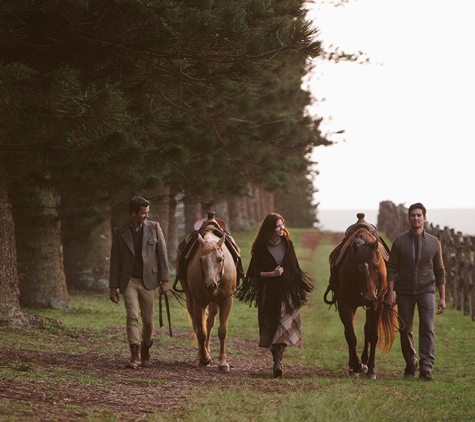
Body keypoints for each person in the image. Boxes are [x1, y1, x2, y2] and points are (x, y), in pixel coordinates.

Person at [235, 213, 313, 378]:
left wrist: (290, 281)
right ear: (270, 228)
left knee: (283, 327)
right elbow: (253, 274)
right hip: (268, 294)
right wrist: (272, 274)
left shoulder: (287, 244)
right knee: (271, 327)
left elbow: (295, 268)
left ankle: (278, 361)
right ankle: (276, 359)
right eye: (278, 226)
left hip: (287, 294)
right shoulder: (260, 249)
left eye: (282, 225)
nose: (282, 228)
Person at [386, 202, 446, 381]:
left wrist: (442, 297)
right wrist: (390, 293)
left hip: (427, 291)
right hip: (404, 291)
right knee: (405, 329)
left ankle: (426, 369)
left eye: (419, 215)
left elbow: (440, 270)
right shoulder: (399, 241)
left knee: (427, 328)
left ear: (424, 218)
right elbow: (391, 268)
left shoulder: (434, 243)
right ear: (409, 218)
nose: (416, 218)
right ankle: (411, 363)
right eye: (413, 215)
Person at [109, 196, 170, 369]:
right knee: (132, 315)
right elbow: (115, 261)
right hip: (129, 281)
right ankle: (134, 354)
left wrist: (164, 281)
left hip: (149, 280)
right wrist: (113, 287)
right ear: (133, 213)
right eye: (143, 213)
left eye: (147, 212)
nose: (146, 215)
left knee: (148, 321)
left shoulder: (154, 227)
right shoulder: (120, 232)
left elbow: (162, 255)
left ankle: (146, 348)